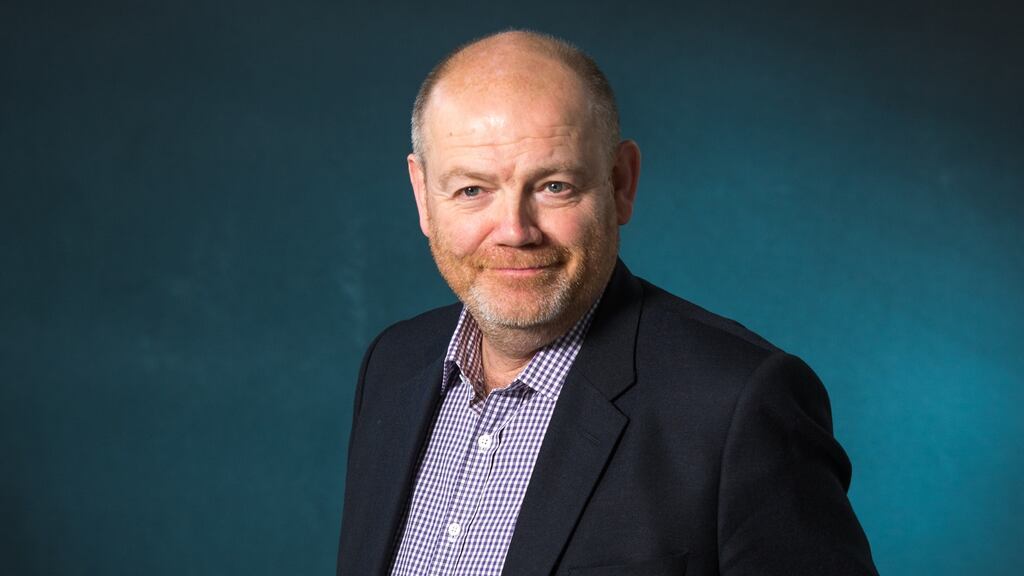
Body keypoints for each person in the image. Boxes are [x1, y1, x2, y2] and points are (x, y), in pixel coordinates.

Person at [337, 30, 878, 576]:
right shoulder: (393, 365)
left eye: (553, 186)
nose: (515, 231)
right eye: (472, 190)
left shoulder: (739, 404)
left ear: (621, 183)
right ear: (423, 195)